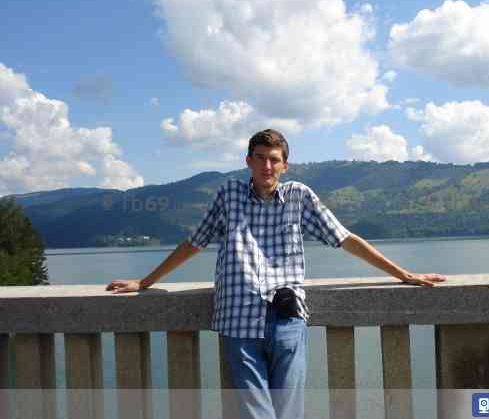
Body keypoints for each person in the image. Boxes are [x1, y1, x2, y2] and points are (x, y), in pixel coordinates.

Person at [106, 128, 445, 419]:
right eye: (260, 158)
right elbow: (194, 242)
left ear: (284, 165)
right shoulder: (229, 195)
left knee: (288, 412)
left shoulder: (299, 197)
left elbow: (345, 239)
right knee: (257, 414)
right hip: (238, 319)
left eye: (274, 159)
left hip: (287, 320)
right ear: (248, 161)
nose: (266, 166)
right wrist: (145, 282)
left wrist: (403, 273)